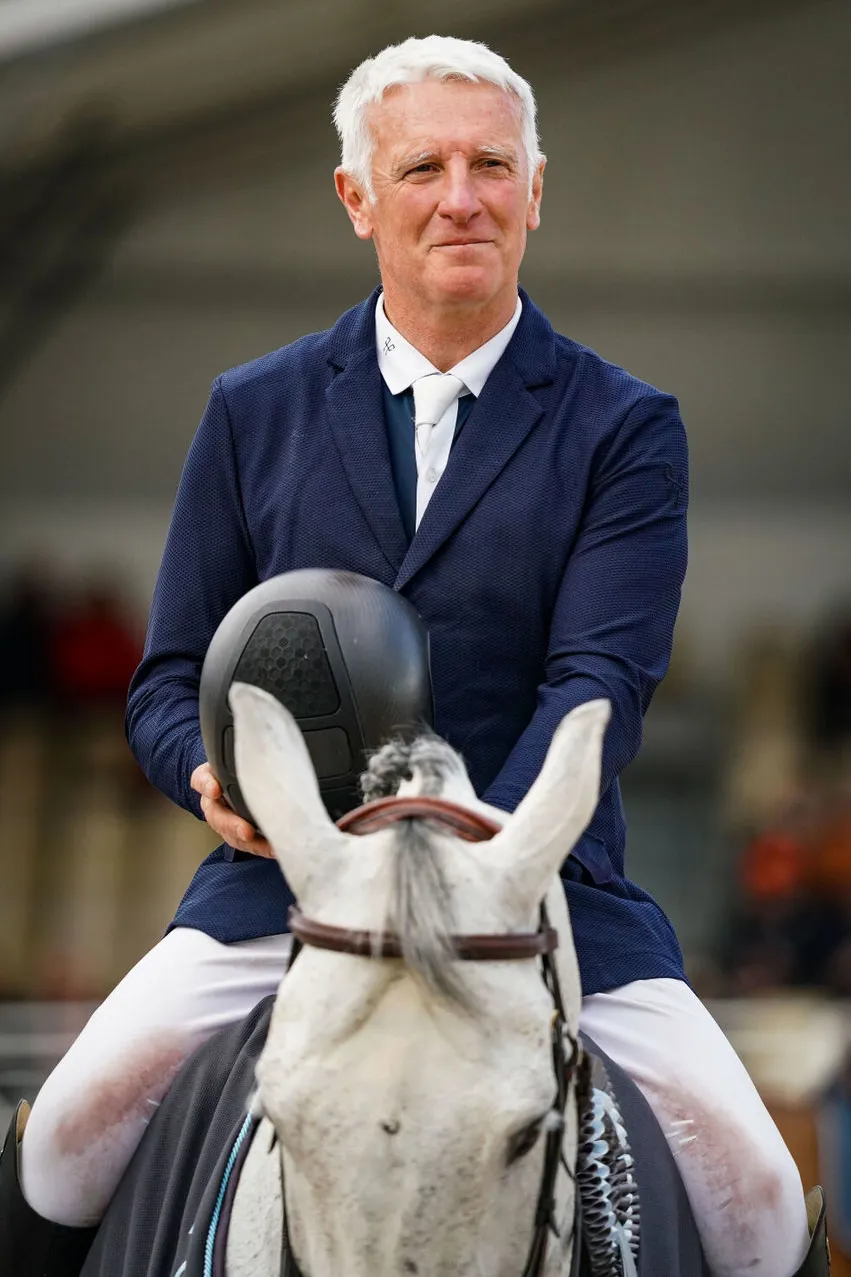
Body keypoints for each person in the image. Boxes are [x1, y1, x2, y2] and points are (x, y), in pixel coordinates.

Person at [0, 34, 825, 1277]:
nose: (461, 196)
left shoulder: (623, 427)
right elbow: (167, 683)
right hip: (286, 889)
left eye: (492, 163)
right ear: (356, 198)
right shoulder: (253, 410)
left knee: (761, 1198)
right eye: (423, 165)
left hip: (539, 903)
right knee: (61, 1137)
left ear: (534, 189)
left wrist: (475, 849)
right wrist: (215, 786)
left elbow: (596, 683)